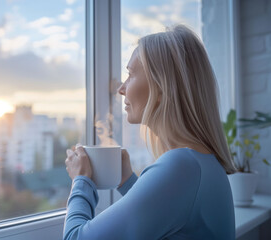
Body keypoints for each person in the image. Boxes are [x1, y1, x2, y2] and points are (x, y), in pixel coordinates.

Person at [63, 25, 236, 240]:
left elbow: (75, 238)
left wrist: (80, 181)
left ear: (162, 87)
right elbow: (170, 215)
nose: (121, 88)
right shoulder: (201, 163)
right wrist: (126, 180)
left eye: (131, 74)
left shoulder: (182, 166)